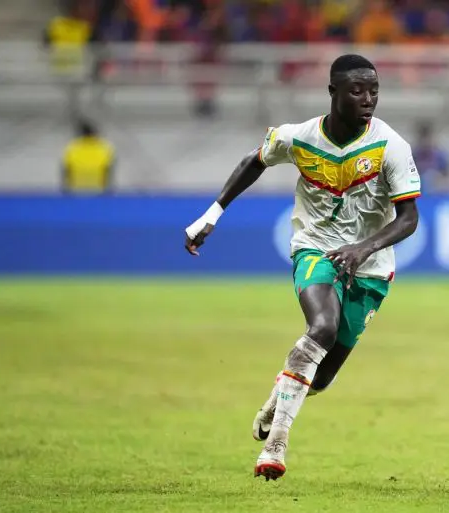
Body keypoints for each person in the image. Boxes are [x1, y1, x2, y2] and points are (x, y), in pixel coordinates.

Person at [183, 54, 421, 481]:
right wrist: (212, 214)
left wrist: (363, 247)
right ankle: (275, 446)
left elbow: (409, 219)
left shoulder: (390, 146)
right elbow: (254, 160)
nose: (368, 98)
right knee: (322, 328)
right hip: (314, 248)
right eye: (357, 90)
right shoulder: (298, 138)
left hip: (369, 267)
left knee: (322, 377)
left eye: (374, 90)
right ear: (332, 92)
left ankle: (277, 400)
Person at [61, 119, 116, 194]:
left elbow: (66, 170)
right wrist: (108, 190)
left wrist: (65, 190)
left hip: (76, 190)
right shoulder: (104, 147)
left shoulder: (72, 147)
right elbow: (109, 170)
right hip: (98, 190)